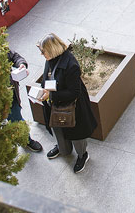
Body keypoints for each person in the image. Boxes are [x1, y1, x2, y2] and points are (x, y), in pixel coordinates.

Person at [37, 34, 96, 173]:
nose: (41, 54)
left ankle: (82, 155)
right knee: (58, 128)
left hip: (72, 108)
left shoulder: (71, 65)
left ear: (52, 50)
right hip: (54, 104)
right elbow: (48, 77)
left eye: (43, 51)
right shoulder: (50, 58)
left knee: (76, 134)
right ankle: (63, 148)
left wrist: (50, 95)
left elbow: (74, 92)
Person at [7, 49, 43, 153]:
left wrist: (21, 64)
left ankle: (26, 140)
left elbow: (14, 56)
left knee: (16, 118)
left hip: (10, 95)